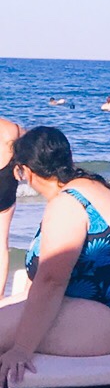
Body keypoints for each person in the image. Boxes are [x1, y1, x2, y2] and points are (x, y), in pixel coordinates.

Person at [0, 127, 110, 385]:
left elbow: (52, 281)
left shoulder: (67, 203)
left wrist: (21, 349)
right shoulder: (87, 186)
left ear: (26, 170)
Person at [0, 116, 22, 298]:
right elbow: (32, 147)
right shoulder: (13, 128)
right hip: (6, 182)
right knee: (1, 243)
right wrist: (18, 165)